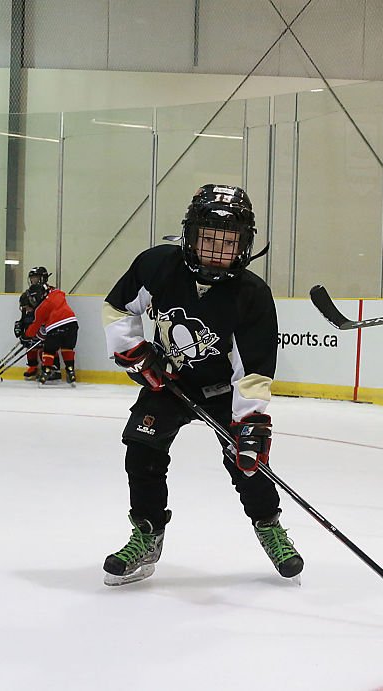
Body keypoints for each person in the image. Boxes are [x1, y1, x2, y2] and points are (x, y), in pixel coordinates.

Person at [101, 183, 302, 586]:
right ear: (190, 235)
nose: (215, 250)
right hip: (168, 382)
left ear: (244, 245)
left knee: (245, 460)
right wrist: (135, 352)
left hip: (222, 391)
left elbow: (252, 371)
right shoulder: (156, 265)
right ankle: (147, 533)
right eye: (208, 238)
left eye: (227, 242)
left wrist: (250, 425)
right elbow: (118, 307)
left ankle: (268, 525)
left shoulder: (253, 295)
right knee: (141, 448)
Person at [22, 280, 78, 385]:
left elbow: (35, 327)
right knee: (67, 348)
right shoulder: (57, 294)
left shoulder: (40, 309)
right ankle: (70, 371)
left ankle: (46, 370)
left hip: (54, 328)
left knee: (49, 350)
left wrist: (26, 336)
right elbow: (55, 291)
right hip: (72, 323)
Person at [16, 267, 62, 381]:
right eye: (32, 278)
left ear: (43, 278)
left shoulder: (50, 291)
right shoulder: (28, 293)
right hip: (35, 323)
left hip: (47, 323)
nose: (33, 281)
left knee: (46, 345)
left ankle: (53, 368)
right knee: (29, 343)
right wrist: (20, 324)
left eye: (36, 278)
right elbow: (25, 312)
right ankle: (33, 366)